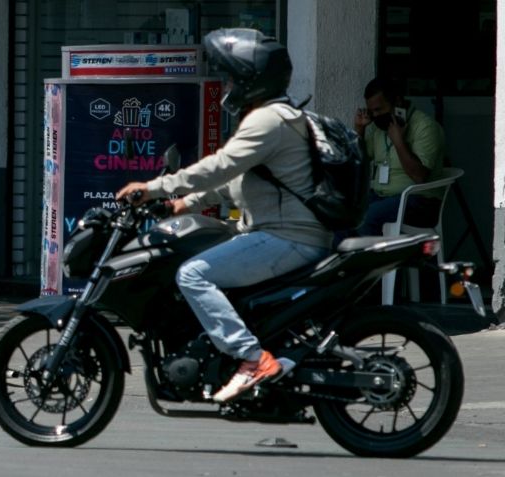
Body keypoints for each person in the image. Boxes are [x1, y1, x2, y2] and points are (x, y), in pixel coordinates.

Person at [116, 28, 332, 403]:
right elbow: (237, 178)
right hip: (285, 234)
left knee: (193, 274)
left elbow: (220, 166)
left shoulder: (268, 120)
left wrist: (154, 188)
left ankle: (252, 359)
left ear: (251, 78)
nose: (229, 85)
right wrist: (183, 203)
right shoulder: (280, 116)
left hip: (287, 238)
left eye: (233, 77)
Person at [351, 77, 445, 237]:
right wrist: (360, 130)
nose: (375, 115)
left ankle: (376, 262)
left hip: (418, 200)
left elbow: (419, 177)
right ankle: (346, 261)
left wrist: (399, 142)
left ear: (397, 102)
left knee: (369, 216)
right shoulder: (378, 127)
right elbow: (360, 163)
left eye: (379, 109)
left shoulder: (425, 127)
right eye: (371, 111)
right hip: (382, 196)